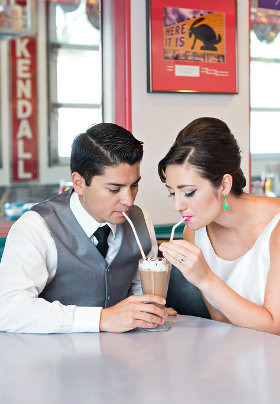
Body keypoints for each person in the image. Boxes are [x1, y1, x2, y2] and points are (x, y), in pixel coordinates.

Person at [0, 123, 169, 333]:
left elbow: (140, 295)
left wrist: (149, 312)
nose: (128, 200)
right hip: (51, 359)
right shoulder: (37, 226)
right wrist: (101, 319)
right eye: (114, 188)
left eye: (134, 185)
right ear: (79, 183)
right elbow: (7, 309)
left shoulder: (141, 220)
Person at [158, 117, 280, 335]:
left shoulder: (276, 228)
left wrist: (205, 279)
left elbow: (274, 328)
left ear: (224, 184)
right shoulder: (194, 233)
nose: (178, 205)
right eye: (172, 193)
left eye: (189, 193)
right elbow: (222, 320)